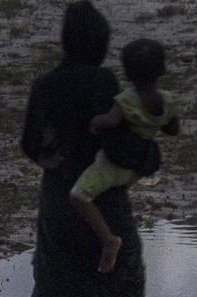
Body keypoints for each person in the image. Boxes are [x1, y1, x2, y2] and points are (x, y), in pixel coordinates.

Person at [20, 1, 161, 297]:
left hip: (56, 207)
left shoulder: (44, 86)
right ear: (101, 43)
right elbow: (117, 145)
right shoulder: (102, 82)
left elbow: (30, 145)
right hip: (104, 204)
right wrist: (149, 157)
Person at [70, 38, 181, 275]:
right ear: (161, 70)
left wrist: (94, 122)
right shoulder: (168, 101)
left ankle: (109, 239)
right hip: (139, 166)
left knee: (79, 196)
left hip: (114, 164)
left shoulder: (126, 100)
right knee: (116, 188)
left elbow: (109, 121)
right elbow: (172, 130)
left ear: (128, 73)